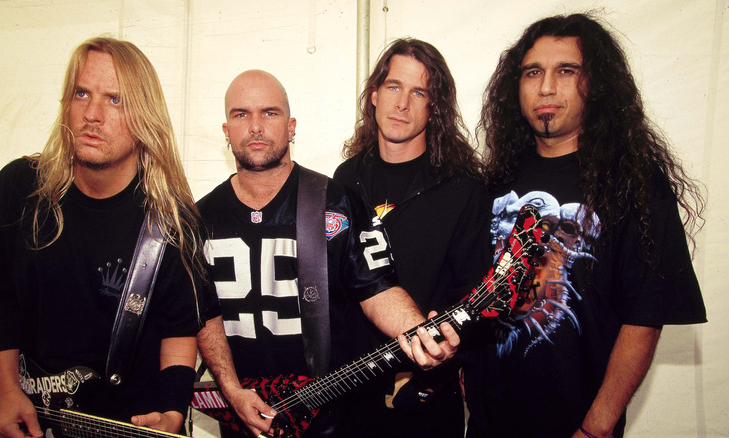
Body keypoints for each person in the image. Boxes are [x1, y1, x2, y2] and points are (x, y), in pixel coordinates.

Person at [463, 13, 707, 438]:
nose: (546, 87)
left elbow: (644, 317)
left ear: (595, 83)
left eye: (566, 71)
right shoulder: (494, 180)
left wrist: (597, 427)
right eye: (533, 72)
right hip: (489, 424)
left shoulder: (634, 182)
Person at [195, 69, 461, 438]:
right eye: (241, 114)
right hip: (244, 417)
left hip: (334, 421)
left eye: (269, 113)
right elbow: (204, 316)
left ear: (291, 127)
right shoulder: (199, 219)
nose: (255, 126)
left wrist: (421, 336)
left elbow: (377, 290)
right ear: (226, 131)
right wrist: (231, 390)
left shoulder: (335, 200)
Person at [0, 37, 219, 437]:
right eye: (82, 93)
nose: (92, 114)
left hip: (128, 426)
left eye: (115, 100)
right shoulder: (19, 187)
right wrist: (8, 391)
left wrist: (172, 412)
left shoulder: (172, 220)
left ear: (145, 116)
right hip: (39, 421)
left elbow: (178, 330)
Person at [333, 38, 491, 438]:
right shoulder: (345, 179)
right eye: (393, 86)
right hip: (350, 395)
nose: (402, 103)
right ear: (374, 95)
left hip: (425, 400)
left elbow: (475, 300)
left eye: (419, 92)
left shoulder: (463, 188)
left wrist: (431, 373)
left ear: (434, 108)